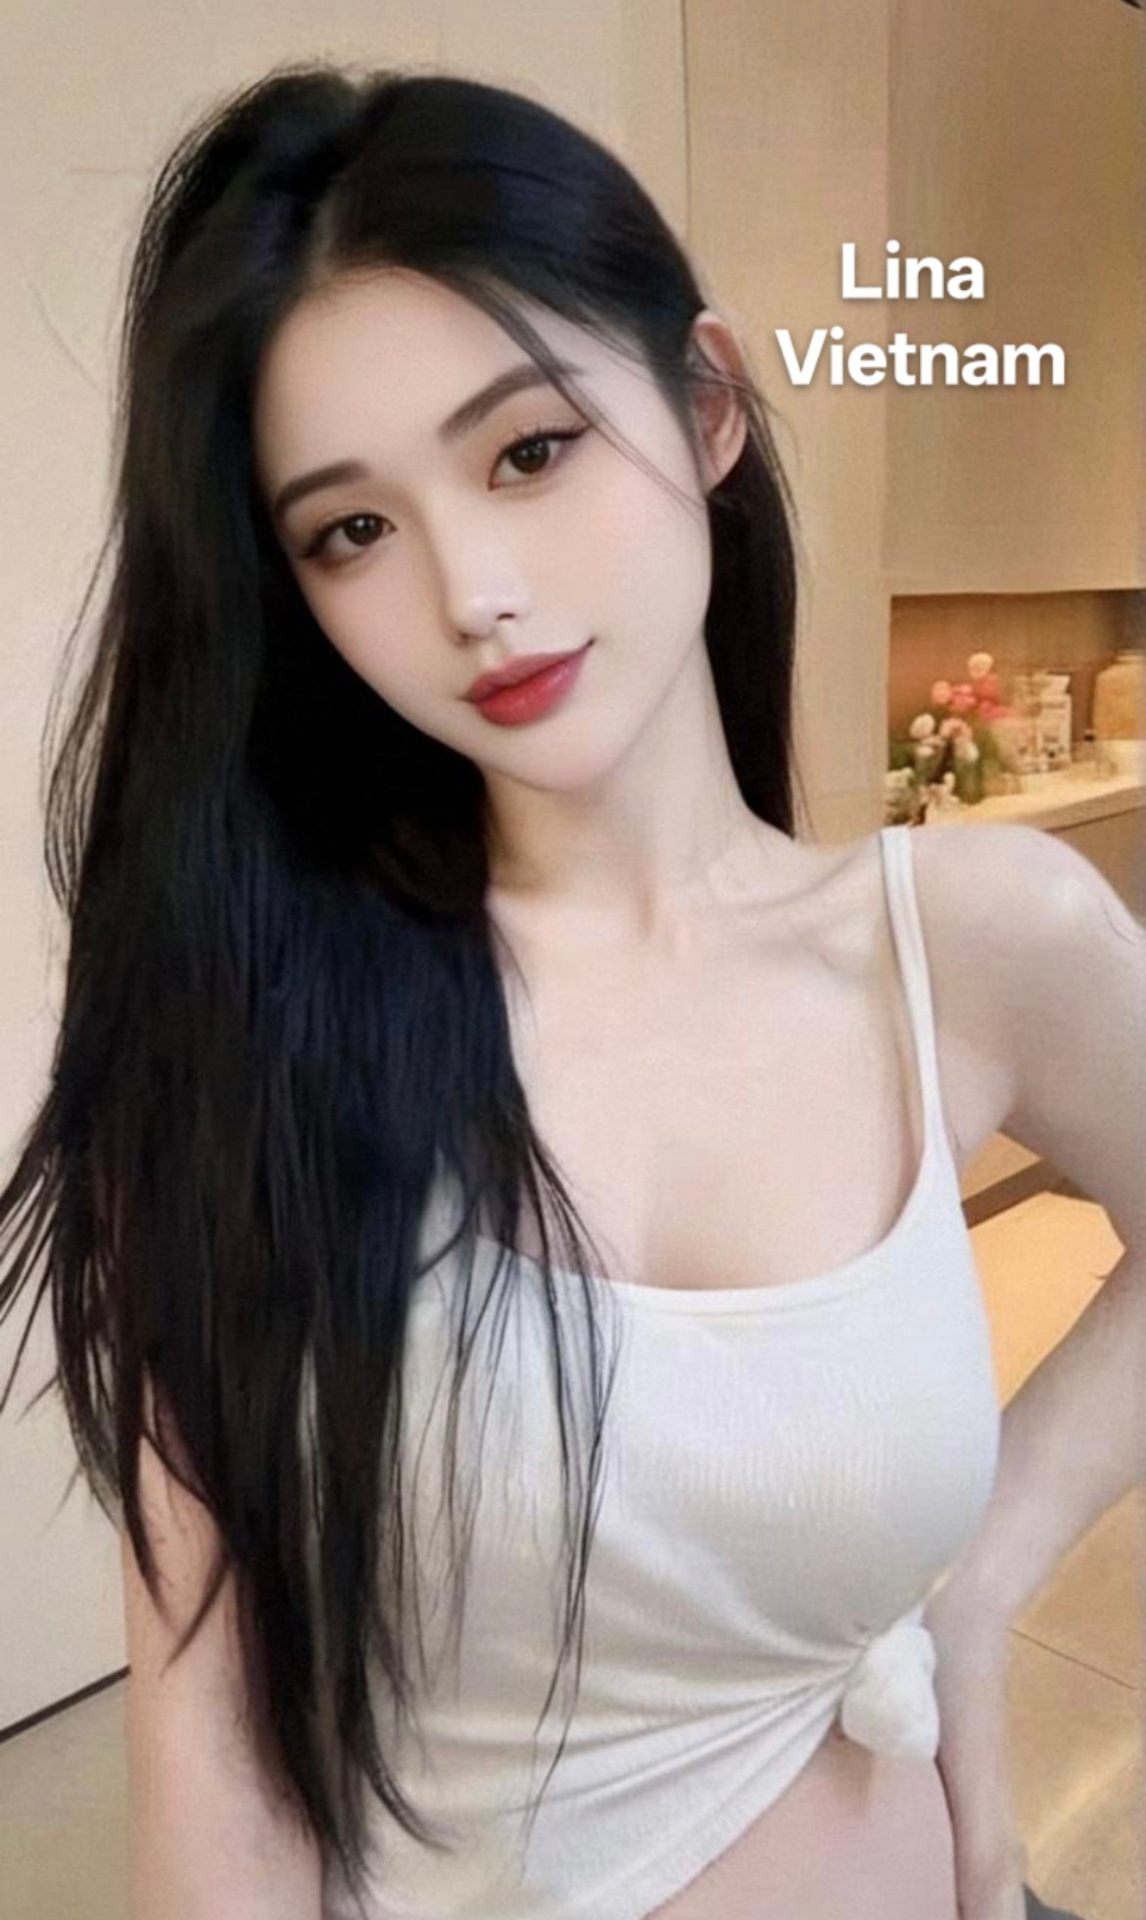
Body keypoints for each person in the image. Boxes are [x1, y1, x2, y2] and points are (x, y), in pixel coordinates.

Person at [1, 58, 1131, 1920]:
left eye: (526, 451)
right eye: (351, 529)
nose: (472, 592)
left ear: (704, 406)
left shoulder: (977, 936)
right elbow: (216, 1778)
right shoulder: (244, 1038)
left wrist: (987, 1576)